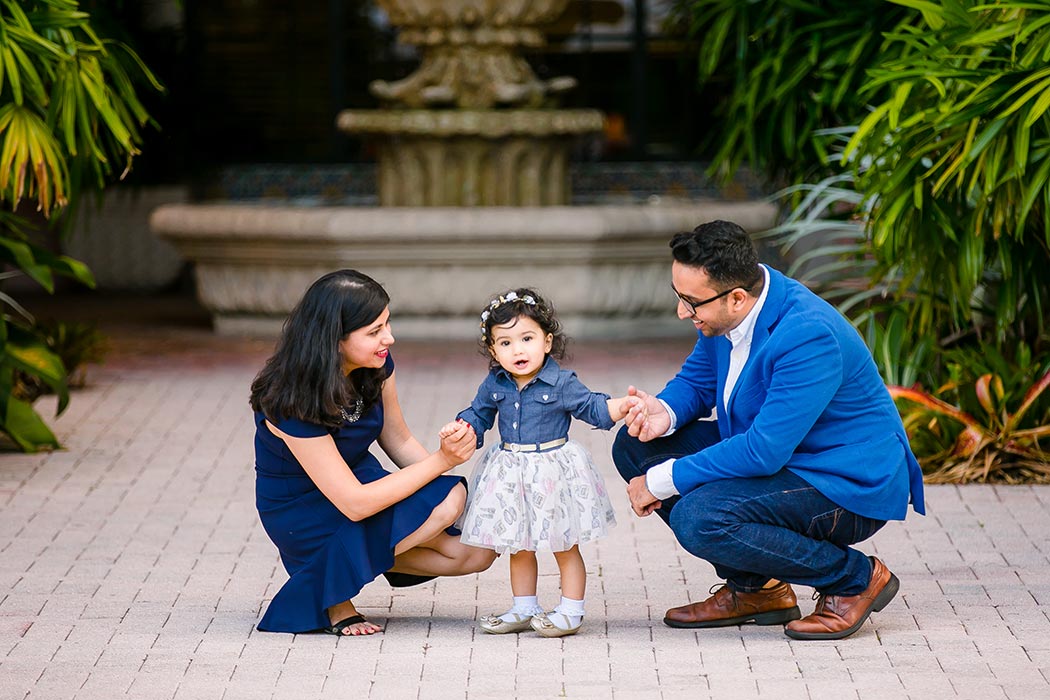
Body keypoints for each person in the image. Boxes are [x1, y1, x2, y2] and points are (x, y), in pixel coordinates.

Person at [614, 220, 925, 641]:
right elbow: (698, 380)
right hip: (786, 456)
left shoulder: (807, 334)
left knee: (701, 518)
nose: (681, 312)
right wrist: (662, 412)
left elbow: (763, 451)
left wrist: (662, 480)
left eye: (690, 302)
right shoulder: (727, 313)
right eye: (678, 295)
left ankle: (854, 579)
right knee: (635, 445)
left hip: (843, 483)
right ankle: (757, 589)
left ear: (737, 297)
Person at [250, 269, 496, 637]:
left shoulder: (375, 366)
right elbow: (355, 504)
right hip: (302, 507)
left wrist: (483, 504)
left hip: (360, 479)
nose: (389, 338)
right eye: (374, 331)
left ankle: (335, 571)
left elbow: (397, 440)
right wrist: (442, 462)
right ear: (334, 340)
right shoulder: (288, 399)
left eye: (387, 323)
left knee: (478, 549)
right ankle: (335, 595)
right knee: (445, 502)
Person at [439, 289, 628, 638]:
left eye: (527, 338)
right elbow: (477, 415)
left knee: (563, 543)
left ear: (546, 341)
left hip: (552, 472)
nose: (518, 350)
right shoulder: (495, 383)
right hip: (511, 471)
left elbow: (592, 407)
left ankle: (571, 611)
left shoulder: (561, 382)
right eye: (506, 343)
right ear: (494, 351)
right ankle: (524, 607)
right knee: (519, 544)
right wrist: (462, 426)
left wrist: (622, 407)